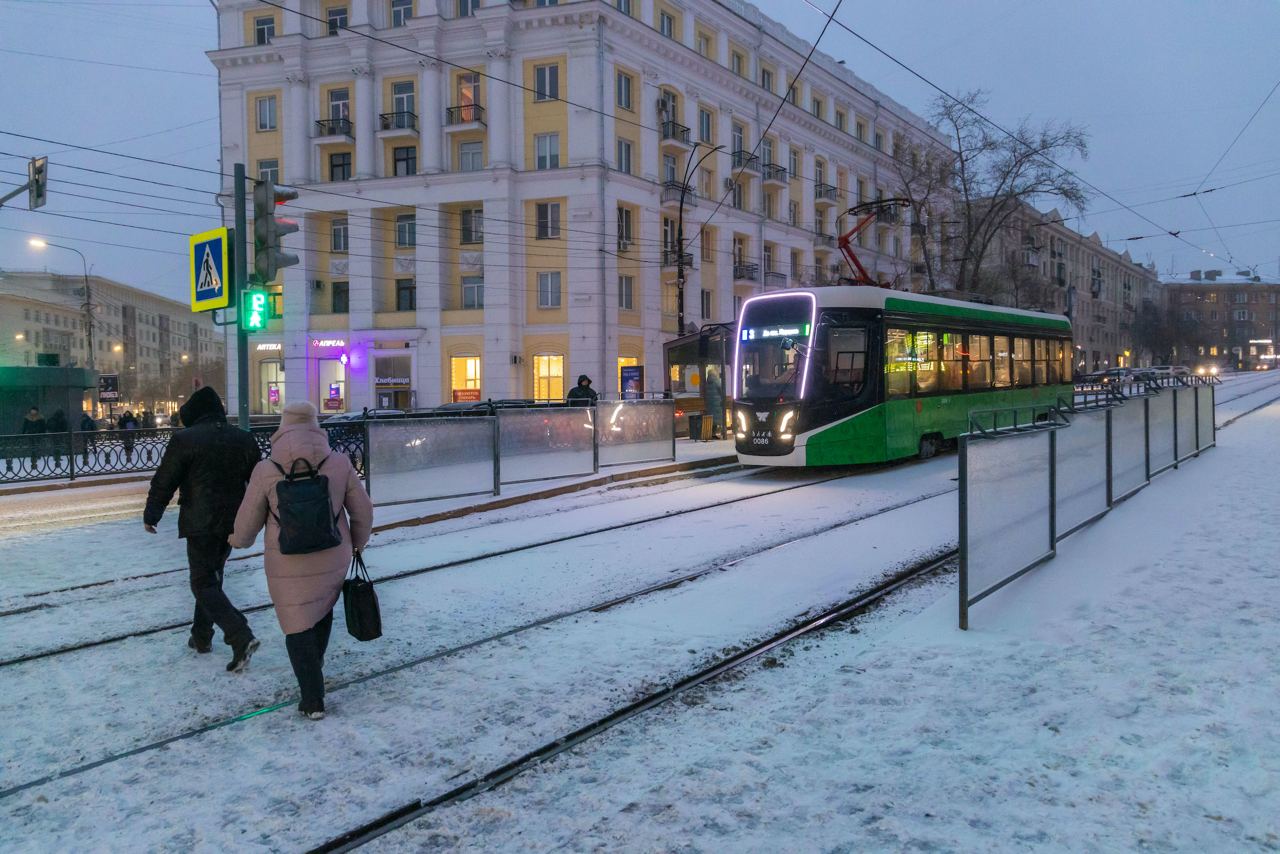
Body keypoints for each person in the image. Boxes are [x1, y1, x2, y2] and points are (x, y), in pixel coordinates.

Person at [229, 401, 372, 720]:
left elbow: (247, 523)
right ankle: (313, 676)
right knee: (321, 610)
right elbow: (363, 511)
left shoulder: (266, 470)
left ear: (283, 427)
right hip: (333, 553)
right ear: (315, 425)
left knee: (296, 624)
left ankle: (312, 698)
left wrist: (237, 541)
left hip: (285, 561)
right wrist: (356, 544)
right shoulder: (339, 463)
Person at [144, 386, 262, 672]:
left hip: (200, 521)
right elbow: (259, 482)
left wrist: (152, 513)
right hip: (233, 520)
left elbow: (165, 480)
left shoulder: (185, 439)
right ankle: (201, 636)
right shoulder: (243, 439)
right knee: (211, 577)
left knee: (202, 581)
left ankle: (239, 634)